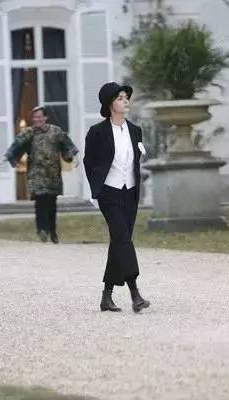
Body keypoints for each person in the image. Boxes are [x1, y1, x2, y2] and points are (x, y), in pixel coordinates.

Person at [83, 82, 150, 313]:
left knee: (119, 242)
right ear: (110, 104)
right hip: (109, 193)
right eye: (120, 98)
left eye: (126, 97)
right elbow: (89, 163)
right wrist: (96, 190)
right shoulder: (97, 132)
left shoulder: (135, 131)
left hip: (130, 192)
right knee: (123, 239)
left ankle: (106, 295)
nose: (125, 101)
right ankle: (135, 293)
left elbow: (135, 161)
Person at [5, 106, 79, 244]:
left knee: (51, 203)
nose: (37, 120)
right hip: (36, 174)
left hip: (53, 174)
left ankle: (52, 231)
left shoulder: (56, 131)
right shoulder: (29, 133)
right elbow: (17, 145)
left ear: (45, 118)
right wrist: (8, 156)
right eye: (35, 117)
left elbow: (67, 145)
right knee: (40, 201)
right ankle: (42, 230)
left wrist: (72, 156)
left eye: (39, 117)